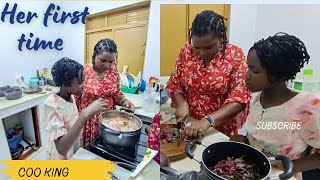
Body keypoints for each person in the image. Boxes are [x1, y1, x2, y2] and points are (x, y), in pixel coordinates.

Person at [232, 33, 320, 179]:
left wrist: (286, 166)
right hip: (251, 171)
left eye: (255, 71)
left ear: (278, 74)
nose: (246, 75)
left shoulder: (308, 109)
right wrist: (244, 140)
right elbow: (257, 135)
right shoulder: (255, 99)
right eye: (248, 68)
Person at [166, 10, 251, 138]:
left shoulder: (234, 55)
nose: (201, 53)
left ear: (221, 38)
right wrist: (182, 103)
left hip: (219, 126)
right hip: (189, 121)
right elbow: (175, 83)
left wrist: (208, 121)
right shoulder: (187, 50)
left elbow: (239, 100)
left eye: (208, 47)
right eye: (197, 47)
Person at [43, 57, 108, 160]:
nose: (83, 86)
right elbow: (61, 148)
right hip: (59, 156)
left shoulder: (71, 96)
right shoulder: (51, 105)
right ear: (64, 84)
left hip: (72, 148)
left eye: (83, 81)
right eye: (79, 83)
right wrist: (84, 114)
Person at [76, 38, 135, 148]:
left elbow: (117, 93)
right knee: (88, 152)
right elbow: (74, 98)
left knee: (105, 151)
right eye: (102, 60)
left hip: (108, 121)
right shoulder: (83, 71)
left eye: (111, 61)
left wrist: (124, 100)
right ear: (94, 56)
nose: (107, 65)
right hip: (87, 121)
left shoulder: (113, 72)